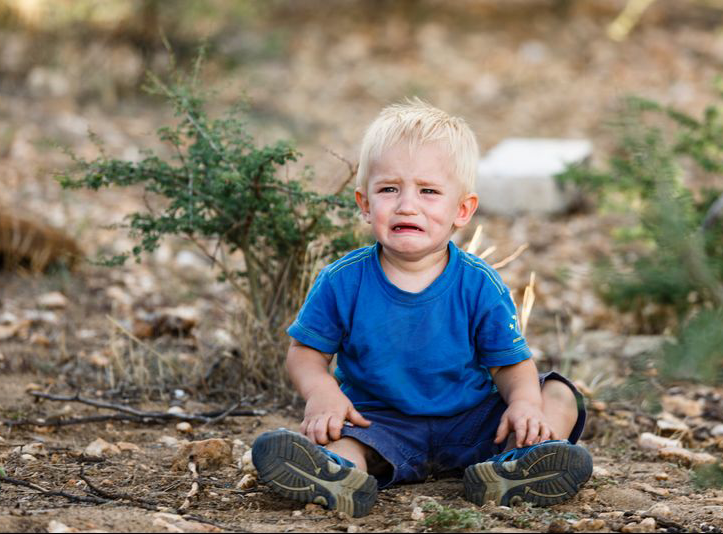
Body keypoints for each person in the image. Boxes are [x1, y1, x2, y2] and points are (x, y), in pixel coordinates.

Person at [252, 99, 592, 518]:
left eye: (428, 191)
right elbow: (306, 353)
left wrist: (523, 402)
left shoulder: (478, 284)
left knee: (557, 394)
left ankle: (518, 466)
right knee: (344, 438)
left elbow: (509, 364)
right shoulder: (343, 281)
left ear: (462, 210)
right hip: (381, 422)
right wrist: (322, 393)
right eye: (389, 189)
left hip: (473, 423)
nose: (406, 205)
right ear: (364, 203)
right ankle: (339, 476)